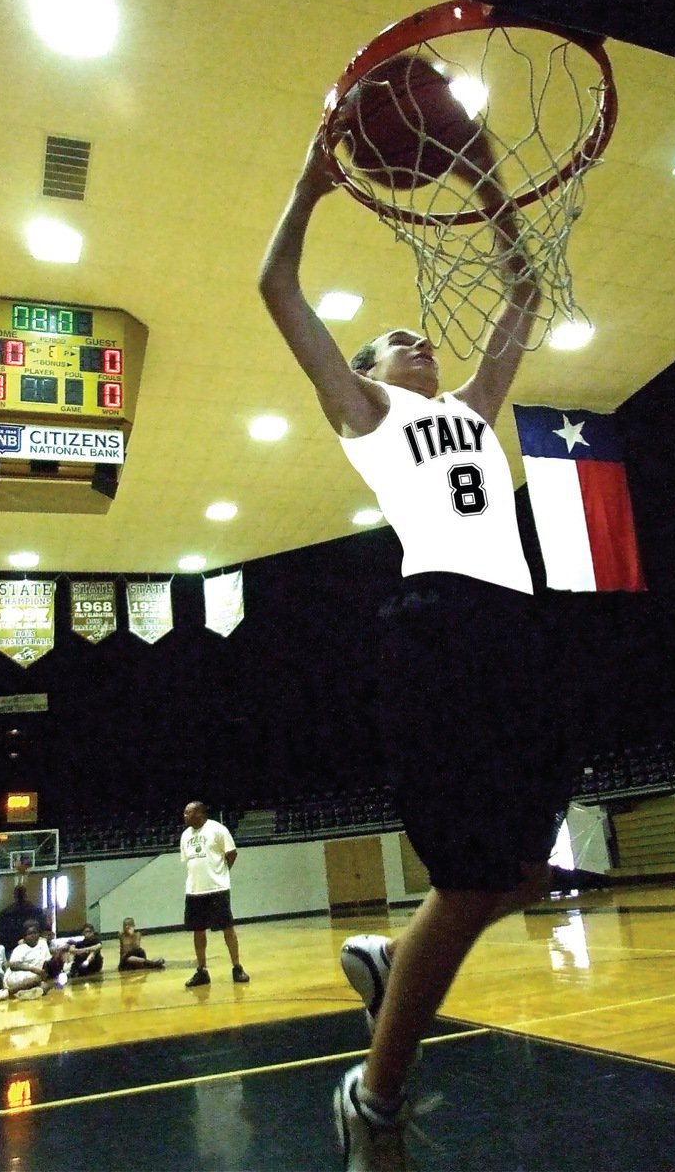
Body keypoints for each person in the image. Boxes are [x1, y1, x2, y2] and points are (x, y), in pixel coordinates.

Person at [259, 131, 583, 1170]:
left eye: (417, 335)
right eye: (394, 338)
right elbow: (276, 287)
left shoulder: (475, 413)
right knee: (471, 869)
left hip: (516, 627)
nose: (416, 341)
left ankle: (394, 959)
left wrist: (489, 184)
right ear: (366, 376)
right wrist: (309, 192)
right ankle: (376, 1095)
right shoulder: (369, 415)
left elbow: (523, 295)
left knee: (526, 872)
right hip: (438, 624)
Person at [180, 801, 249, 986]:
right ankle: (202, 971)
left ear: (200, 814)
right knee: (198, 931)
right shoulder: (185, 835)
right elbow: (188, 861)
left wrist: (222, 873)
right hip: (194, 891)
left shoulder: (218, 829)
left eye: (188, 813)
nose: (184, 816)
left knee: (228, 929)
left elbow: (231, 853)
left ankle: (237, 967)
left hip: (217, 889)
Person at [3, 922, 54, 999]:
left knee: (49, 983)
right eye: (29, 934)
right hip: (17, 976)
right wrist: (33, 969)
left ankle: (26, 993)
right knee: (36, 980)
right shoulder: (20, 948)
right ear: (24, 937)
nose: (33, 936)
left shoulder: (43, 944)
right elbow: (13, 966)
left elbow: (47, 961)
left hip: (39, 976)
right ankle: (6, 993)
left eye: (35, 933)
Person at [0, 885, 48, 958]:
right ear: (26, 895)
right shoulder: (35, 910)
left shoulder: (6, 912)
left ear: (14, 896)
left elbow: (1, 933)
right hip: (24, 946)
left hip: (13, 947)